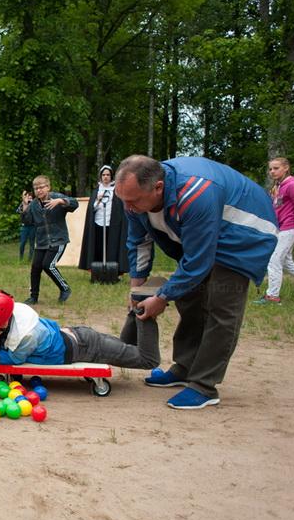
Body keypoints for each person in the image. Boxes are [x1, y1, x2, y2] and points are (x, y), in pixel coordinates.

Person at [114, 155, 277, 409]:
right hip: (204, 230)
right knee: (189, 297)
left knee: (221, 305)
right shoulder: (133, 202)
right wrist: (136, 287)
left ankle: (204, 386)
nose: (128, 207)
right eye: (123, 199)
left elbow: (198, 262)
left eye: (133, 200)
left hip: (245, 232)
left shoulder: (196, 194)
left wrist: (162, 297)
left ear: (158, 187)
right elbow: (139, 242)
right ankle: (185, 367)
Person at [0, 289, 159, 371]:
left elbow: (15, 359)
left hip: (85, 348)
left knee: (146, 360)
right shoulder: (6, 306)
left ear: (0, 325)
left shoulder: (26, 335)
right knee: (125, 347)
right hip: (76, 335)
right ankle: (137, 309)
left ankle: (143, 310)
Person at [21, 176, 78, 304]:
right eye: (36, 188)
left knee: (48, 265)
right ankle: (33, 297)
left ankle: (65, 288)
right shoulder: (34, 204)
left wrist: (60, 201)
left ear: (48, 187)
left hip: (58, 239)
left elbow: (75, 204)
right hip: (41, 242)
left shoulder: (56, 197)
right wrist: (25, 205)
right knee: (35, 267)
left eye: (41, 187)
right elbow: (27, 221)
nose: (39, 190)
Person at [253, 157, 294, 305]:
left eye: (276, 168)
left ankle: (272, 296)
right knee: (287, 263)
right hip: (280, 228)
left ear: (286, 168)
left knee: (274, 261)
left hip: (289, 228)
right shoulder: (278, 186)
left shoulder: (291, 185)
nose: (272, 171)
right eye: (270, 169)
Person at [78, 165, 129, 274]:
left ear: (111, 176)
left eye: (108, 175)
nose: (106, 177)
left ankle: (113, 270)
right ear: (101, 176)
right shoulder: (96, 191)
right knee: (98, 246)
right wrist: (98, 201)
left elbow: (119, 207)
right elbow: (92, 208)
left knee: (112, 247)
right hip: (98, 222)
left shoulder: (116, 190)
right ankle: (96, 270)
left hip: (113, 224)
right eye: (104, 175)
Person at [17, 190, 35, 261]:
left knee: (32, 244)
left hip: (33, 227)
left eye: (31, 198)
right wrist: (24, 203)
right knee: (22, 243)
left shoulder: (34, 205)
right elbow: (19, 211)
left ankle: (30, 259)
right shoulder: (22, 204)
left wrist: (30, 204)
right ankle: (20, 258)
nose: (29, 199)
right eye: (28, 198)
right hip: (24, 227)